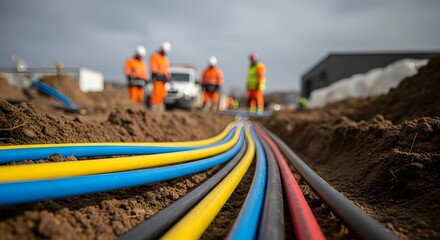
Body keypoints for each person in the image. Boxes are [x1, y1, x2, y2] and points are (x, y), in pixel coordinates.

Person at [149, 41, 171, 111]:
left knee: (162, 95)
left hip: (163, 81)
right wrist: (155, 76)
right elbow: (154, 69)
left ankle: (160, 110)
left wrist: (169, 77)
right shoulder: (155, 56)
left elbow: (166, 70)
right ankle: (154, 109)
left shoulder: (165, 59)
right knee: (156, 95)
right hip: (157, 79)